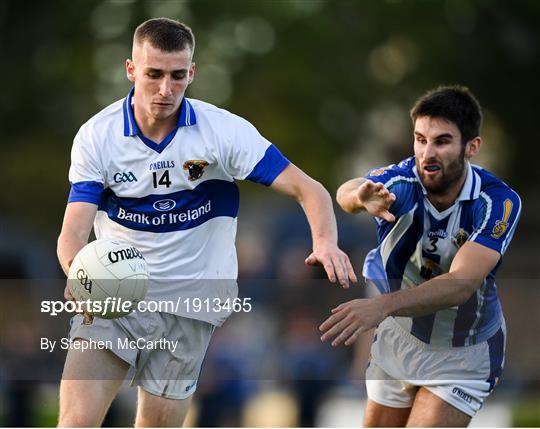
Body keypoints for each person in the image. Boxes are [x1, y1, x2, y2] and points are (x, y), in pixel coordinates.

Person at [57, 18, 356, 427]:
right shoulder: (97, 137)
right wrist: (80, 277)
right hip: (117, 297)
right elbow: (71, 235)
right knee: (75, 423)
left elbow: (310, 189)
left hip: (190, 305)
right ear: (130, 70)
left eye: (178, 76)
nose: (166, 90)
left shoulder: (222, 132)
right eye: (154, 74)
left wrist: (324, 242)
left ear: (192, 72)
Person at [320, 85, 521, 427]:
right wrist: (358, 199)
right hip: (399, 338)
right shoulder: (401, 182)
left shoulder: (497, 203)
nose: (427, 153)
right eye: (420, 139)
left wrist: (381, 306)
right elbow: (347, 190)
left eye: (442, 141)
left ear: (471, 147)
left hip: (463, 353)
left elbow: (461, 284)